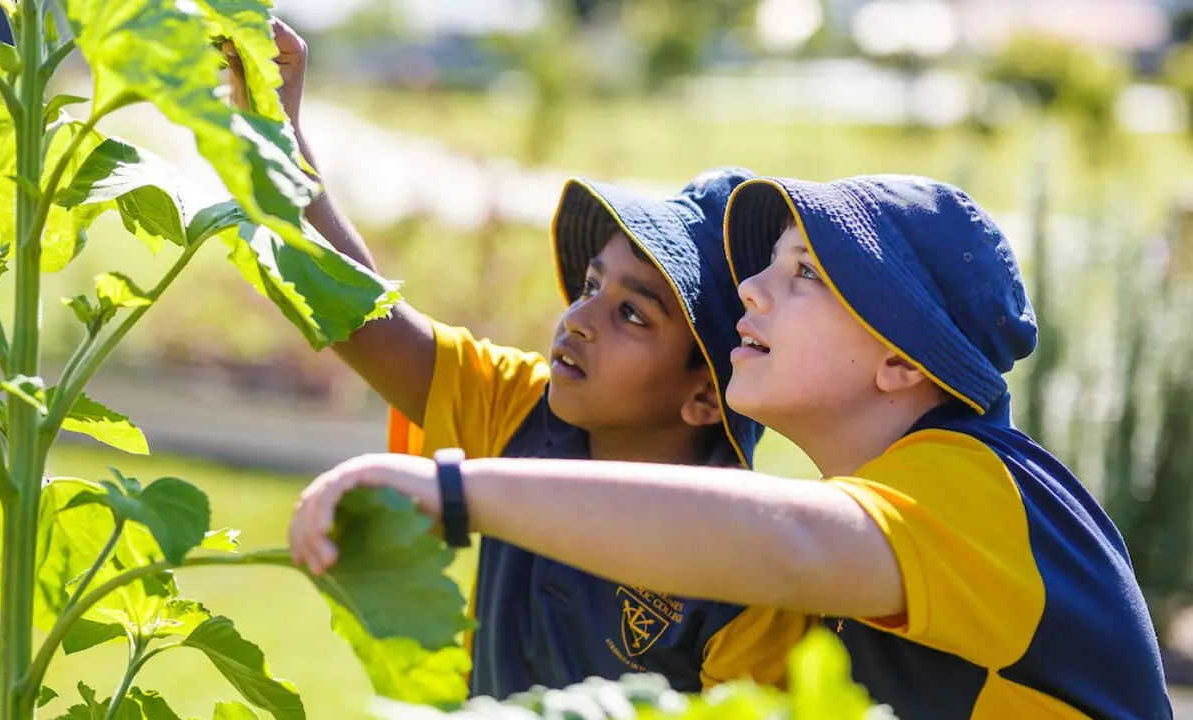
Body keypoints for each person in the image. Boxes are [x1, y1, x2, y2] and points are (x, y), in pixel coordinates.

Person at [290, 174, 1173, 719]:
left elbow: (793, 540)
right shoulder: (882, 514)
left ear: (901, 361)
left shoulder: (984, 486)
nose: (751, 289)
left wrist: (458, 492)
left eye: (804, 276)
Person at [224, 19, 806, 701]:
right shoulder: (519, 412)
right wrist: (272, 129)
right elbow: (353, 305)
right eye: (591, 287)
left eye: (631, 314)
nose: (578, 320)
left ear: (706, 397)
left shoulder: (757, 572)